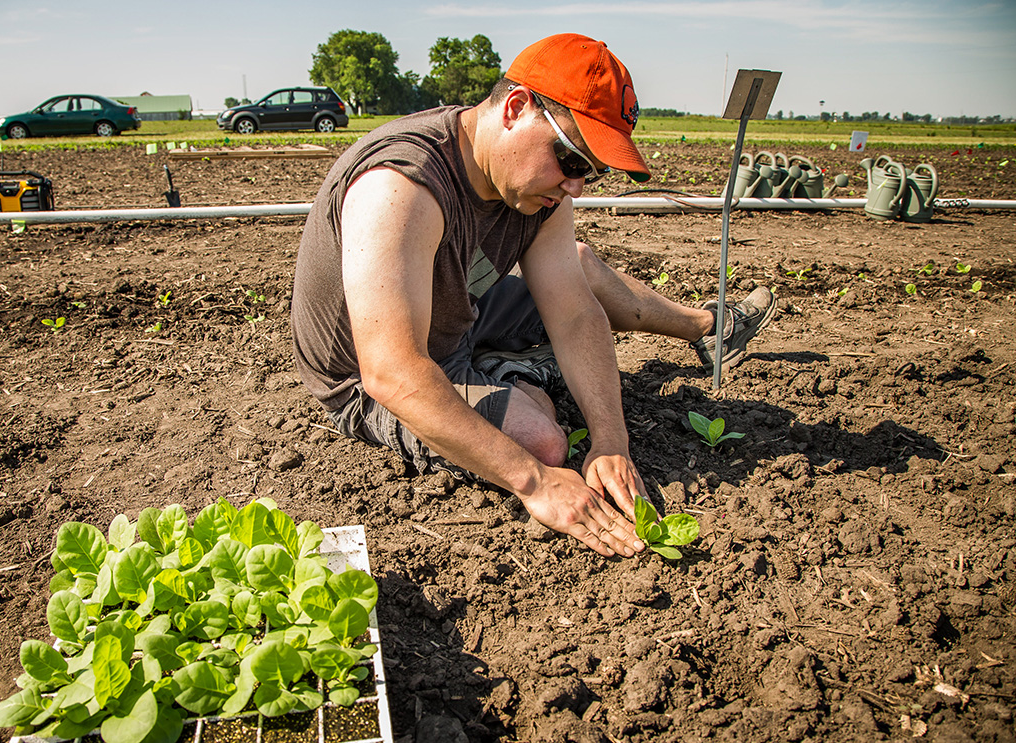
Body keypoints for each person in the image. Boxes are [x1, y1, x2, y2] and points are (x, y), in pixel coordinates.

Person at [292, 34, 774, 558]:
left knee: (581, 270)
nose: (577, 187)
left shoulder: (534, 191)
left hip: (460, 316)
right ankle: (509, 374)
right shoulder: (402, 185)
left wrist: (611, 440)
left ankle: (708, 327)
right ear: (517, 108)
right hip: (370, 377)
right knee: (545, 443)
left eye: (593, 170)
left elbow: (572, 313)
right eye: (571, 161)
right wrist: (535, 482)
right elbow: (390, 371)